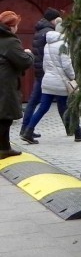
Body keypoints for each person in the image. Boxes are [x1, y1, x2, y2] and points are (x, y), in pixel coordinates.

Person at [24, 23, 81, 141]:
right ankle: (77, 133)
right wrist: (72, 77)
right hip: (60, 83)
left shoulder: (48, 44)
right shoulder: (63, 44)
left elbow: (45, 64)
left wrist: (49, 75)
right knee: (69, 107)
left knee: (43, 107)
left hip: (48, 80)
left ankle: (28, 131)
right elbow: (66, 64)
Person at [19, 7, 60, 143]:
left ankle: (25, 128)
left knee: (35, 101)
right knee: (44, 103)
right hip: (47, 72)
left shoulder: (40, 31)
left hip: (40, 71)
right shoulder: (49, 33)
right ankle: (27, 129)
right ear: (53, 20)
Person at [0, 11, 34, 159]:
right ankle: (4, 149)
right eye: (16, 25)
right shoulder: (10, 41)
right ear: (11, 26)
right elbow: (24, 61)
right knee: (5, 117)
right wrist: (29, 53)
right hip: (5, 83)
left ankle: (5, 147)